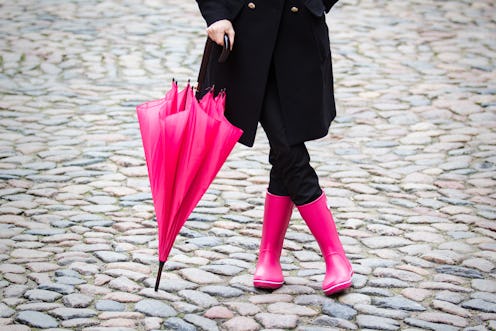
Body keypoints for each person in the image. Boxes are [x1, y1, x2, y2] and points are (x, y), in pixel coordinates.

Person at [195, 0, 353, 295]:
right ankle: (334, 256)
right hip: (244, 37)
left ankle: (270, 257)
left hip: (299, 34)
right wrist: (216, 15)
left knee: (285, 147)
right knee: (286, 146)